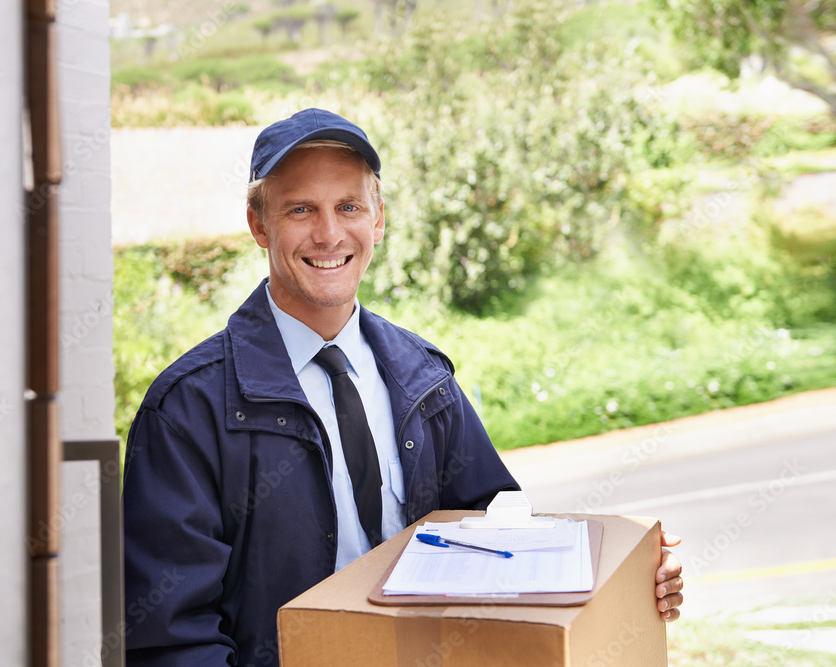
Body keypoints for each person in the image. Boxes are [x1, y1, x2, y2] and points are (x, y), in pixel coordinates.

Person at [121, 108, 684, 667]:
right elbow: (172, 636)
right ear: (258, 224)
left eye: (348, 207)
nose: (329, 233)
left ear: (378, 219)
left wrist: (627, 582)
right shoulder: (189, 409)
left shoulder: (423, 378)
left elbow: (498, 539)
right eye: (300, 209)